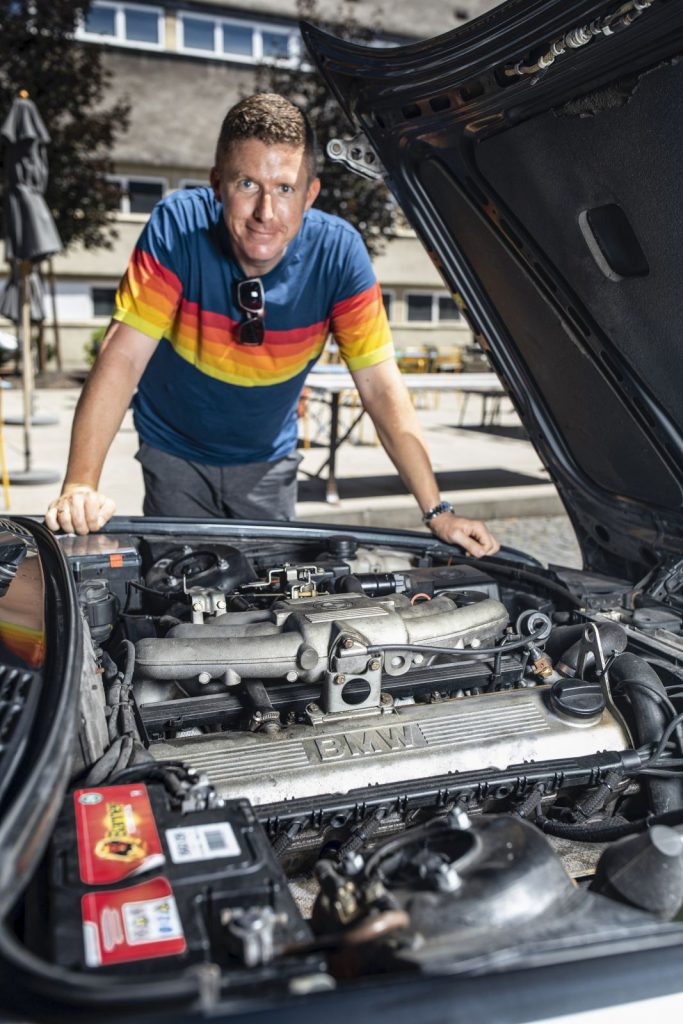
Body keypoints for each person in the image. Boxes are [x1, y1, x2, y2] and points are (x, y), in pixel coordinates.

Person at [45, 94, 499, 558]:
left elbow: (381, 389)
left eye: (284, 189)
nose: (266, 212)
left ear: (310, 194)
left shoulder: (340, 256)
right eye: (247, 184)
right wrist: (81, 484)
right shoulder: (177, 227)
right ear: (217, 183)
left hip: (268, 463)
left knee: (268, 600)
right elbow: (122, 356)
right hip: (174, 451)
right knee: (174, 595)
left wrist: (437, 510)